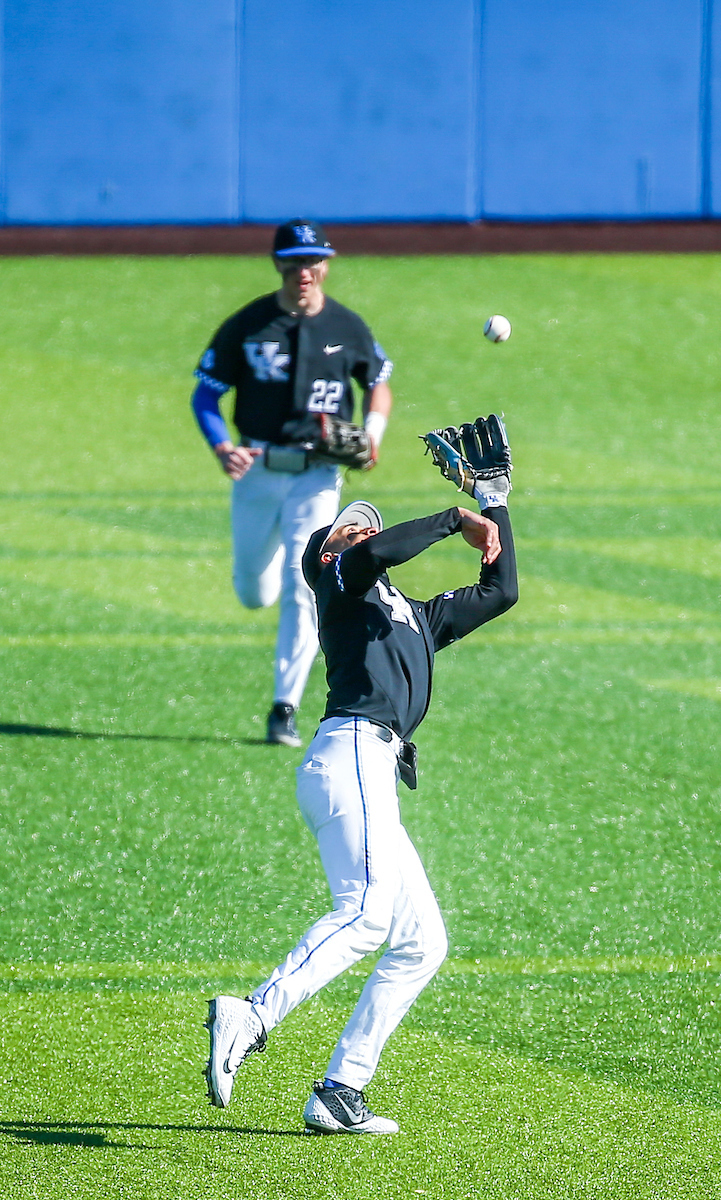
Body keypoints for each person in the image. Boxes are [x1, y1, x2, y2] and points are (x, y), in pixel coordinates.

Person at [204, 422, 517, 1134]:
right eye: (345, 529)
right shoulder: (338, 584)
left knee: (419, 940)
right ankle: (252, 1014)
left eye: (359, 527)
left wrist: (494, 501)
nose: (356, 532)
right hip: (348, 754)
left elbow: (501, 591)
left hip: (366, 767)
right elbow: (375, 550)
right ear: (326, 554)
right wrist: (448, 518)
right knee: (368, 911)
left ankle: (340, 1090)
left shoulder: (411, 615)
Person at [191, 219, 393, 747]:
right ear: (278, 263)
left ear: (325, 265)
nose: (304, 271)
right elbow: (205, 394)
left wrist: (372, 435)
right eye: (294, 260)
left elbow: (378, 384)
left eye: (313, 260)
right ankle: (274, 575)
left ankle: (285, 706)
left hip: (318, 476)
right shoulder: (249, 325)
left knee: (305, 588)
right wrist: (220, 446)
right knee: (252, 591)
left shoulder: (347, 326)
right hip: (258, 472)